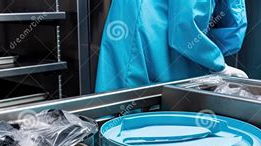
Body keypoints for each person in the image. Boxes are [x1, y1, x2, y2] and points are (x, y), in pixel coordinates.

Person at [96, 0, 248, 93]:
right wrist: (219, 65)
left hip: (140, 27)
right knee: (135, 118)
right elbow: (185, 26)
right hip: (149, 34)